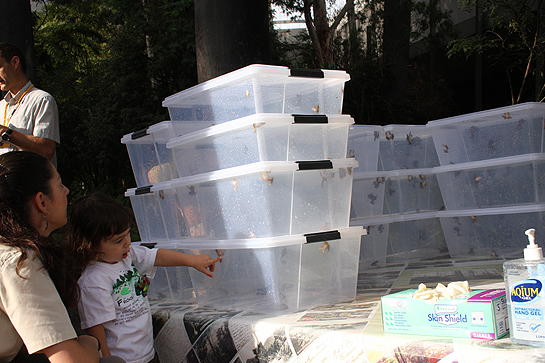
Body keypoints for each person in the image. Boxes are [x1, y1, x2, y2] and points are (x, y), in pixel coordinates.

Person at [66, 194, 222, 363]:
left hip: (147, 353)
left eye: (127, 234)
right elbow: (96, 332)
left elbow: (157, 256)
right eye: (118, 241)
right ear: (91, 245)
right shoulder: (94, 282)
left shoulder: (127, 256)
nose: (127, 243)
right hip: (124, 360)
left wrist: (192, 261)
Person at [0, 151, 125, 363]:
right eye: (60, 184)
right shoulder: (19, 262)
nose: (66, 191)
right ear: (41, 202)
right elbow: (70, 360)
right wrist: (90, 344)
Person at [0, 42, 60, 167]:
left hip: (33, 186)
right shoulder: (1, 106)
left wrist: (5, 132)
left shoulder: (42, 100)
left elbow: (47, 150)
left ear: (15, 63)